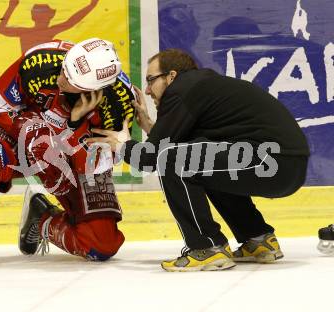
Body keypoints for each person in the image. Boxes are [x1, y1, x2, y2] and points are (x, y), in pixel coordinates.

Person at [87, 48, 310, 272]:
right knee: (199, 162)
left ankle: (206, 248)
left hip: (273, 161)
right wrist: (148, 125)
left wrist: (122, 145)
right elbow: (187, 147)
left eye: (151, 80)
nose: (147, 90)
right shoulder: (200, 87)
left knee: (174, 160)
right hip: (285, 165)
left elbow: (151, 159)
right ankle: (258, 239)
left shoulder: (183, 90)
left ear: (171, 76)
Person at [0, 38, 135, 276]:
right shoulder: (40, 61)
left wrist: (74, 126)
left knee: (102, 243)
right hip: (21, 134)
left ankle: (42, 218)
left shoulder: (118, 105)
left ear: (92, 90)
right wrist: (42, 134)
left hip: (71, 160)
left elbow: (97, 163)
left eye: (71, 81)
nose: (61, 79)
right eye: (64, 70)